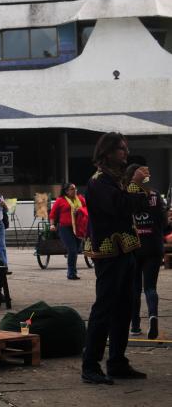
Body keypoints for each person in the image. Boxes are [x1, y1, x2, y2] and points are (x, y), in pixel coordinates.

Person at [80, 132, 149, 385]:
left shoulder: (116, 179)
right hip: (109, 252)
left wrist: (136, 188)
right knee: (105, 308)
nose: (125, 153)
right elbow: (123, 205)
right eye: (120, 149)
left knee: (125, 308)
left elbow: (140, 204)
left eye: (125, 148)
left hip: (126, 250)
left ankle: (117, 362)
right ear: (107, 152)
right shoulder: (99, 182)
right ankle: (90, 365)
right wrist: (135, 185)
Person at [125, 164, 168, 340]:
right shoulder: (155, 194)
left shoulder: (126, 194)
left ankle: (135, 326)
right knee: (150, 287)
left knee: (134, 288)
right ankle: (153, 316)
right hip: (154, 245)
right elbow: (164, 222)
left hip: (134, 246)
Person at [50, 182, 88, 280]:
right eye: (72, 189)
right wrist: (52, 224)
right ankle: (71, 273)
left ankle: (72, 271)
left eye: (75, 189)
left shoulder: (80, 199)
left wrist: (80, 210)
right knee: (72, 249)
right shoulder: (60, 200)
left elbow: (87, 209)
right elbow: (53, 214)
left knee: (76, 250)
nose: (75, 190)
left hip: (79, 227)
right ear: (66, 191)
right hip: (65, 228)